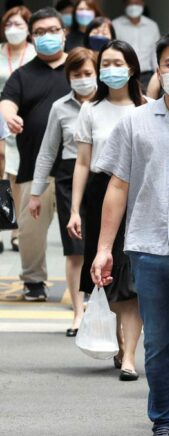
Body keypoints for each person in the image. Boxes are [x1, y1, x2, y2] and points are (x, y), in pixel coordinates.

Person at [91, 30, 169, 436]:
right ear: (158, 72)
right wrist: (103, 249)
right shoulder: (135, 122)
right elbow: (117, 185)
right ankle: (165, 420)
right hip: (147, 245)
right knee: (159, 342)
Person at [69, 40, 146, 382]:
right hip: (101, 195)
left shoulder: (147, 108)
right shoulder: (90, 109)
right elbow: (83, 162)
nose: (110, 69)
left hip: (139, 195)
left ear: (131, 68)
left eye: (117, 62)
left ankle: (129, 355)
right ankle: (120, 343)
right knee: (106, 276)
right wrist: (74, 209)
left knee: (129, 278)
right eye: (106, 63)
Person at [0, 7, 71, 301]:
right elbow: (6, 102)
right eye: (40, 32)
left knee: (81, 231)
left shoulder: (80, 67)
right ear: (32, 37)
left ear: (64, 33)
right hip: (34, 167)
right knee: (30, 232)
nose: (47, 37)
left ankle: (88, 285)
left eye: (53, 30)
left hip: (75, 167)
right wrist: (9, 117)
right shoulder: (23, 75)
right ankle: (33, 281)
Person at [28, 47, 96, 336]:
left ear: (98, 73)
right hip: (68, 178)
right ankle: (78, 313)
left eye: (88, 73)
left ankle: (107, 310)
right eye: (76, 74)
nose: (82, 79)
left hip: (106, 176)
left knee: (105, 247)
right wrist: (35, 192)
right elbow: (47, 153)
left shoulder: (110, 102)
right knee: (75, 250)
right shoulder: (60, 107)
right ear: (68, 77)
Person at [0, 5, 34, 254]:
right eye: (9, 25)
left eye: (19, 25)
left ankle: (16, 232)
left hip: (25, 120)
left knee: (18, 178)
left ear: (29, 29)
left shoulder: (35, 54)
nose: (13, 30)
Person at [112, 0, 161, 90]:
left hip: (147, 76)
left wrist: (157, 75)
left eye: (137, 3)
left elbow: (155, 52)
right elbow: (112, 51)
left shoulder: (152, 26)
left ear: (143, 3)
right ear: (125, 4)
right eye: (130, 3)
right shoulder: (115, 25)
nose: (133, 6)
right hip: (123, 75)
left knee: (148, 102)